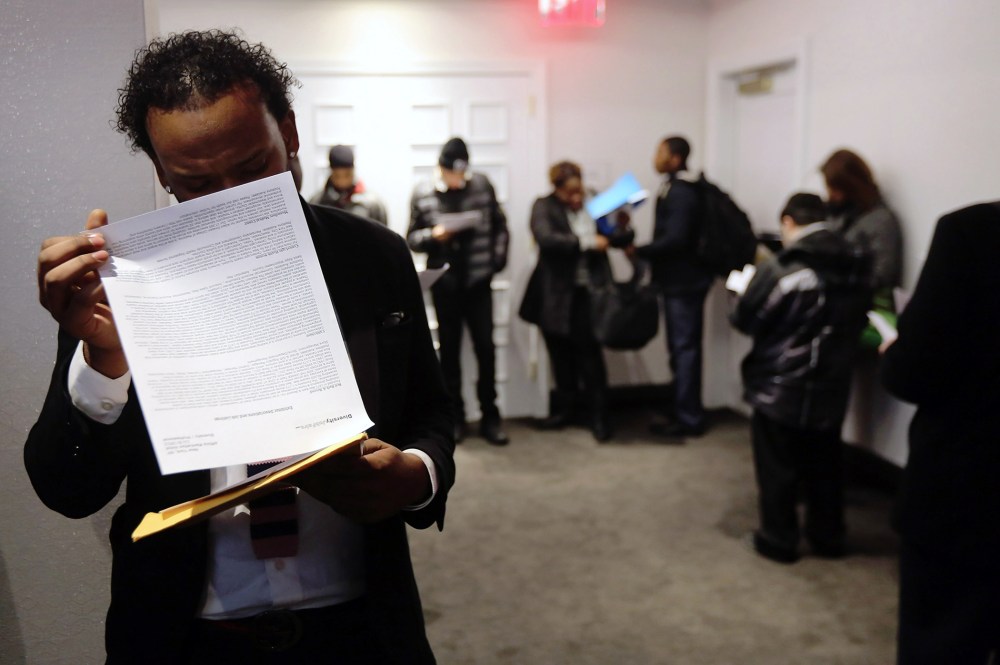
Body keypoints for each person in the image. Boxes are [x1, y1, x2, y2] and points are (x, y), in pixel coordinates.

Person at [25, 30, 454, 664]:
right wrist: (103, 365)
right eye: (197, 184)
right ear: (161, 172)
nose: (237, 199)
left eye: (256, 166)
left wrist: (415, 476)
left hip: (363, 629)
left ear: (290, 133)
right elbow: (68, 489)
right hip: (185, 636)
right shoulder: (121, 283)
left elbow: (432, 416)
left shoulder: (376, 256)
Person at [881, 202, 1000, 663]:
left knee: (944, 640)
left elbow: (915, 372)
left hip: (970, 493)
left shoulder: (973, 232)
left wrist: (896, 349)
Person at [730, 193, 871, 564]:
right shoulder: (857, 261)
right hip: (833, 380)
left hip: (783, 383)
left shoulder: (787, 269)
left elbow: (748, 319)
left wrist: (744, 291)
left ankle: (778, 540)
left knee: (778, 465)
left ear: (789, 222)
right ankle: (829, 538)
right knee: (826, 462)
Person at [518, 161, 634, 441]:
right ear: (556, 189)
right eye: (569, 193)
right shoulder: (543, 206)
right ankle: (565, 411)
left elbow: (618, 239)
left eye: (578, 191)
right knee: (560, 355)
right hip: (555, 294)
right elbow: (546, 239)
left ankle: (599, 416)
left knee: (590, 356)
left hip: (590, 293)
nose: (576, 198)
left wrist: (622, 223)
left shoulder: (595, 203)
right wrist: (587, 242)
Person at [407, 137, 510, 445]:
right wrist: (434, 236)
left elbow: (500, 227)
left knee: (486, 350)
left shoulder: (483, 185)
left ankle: (491, 416)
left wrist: (496, 261)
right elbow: (411, 237)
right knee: (449, 354)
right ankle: (456, 418)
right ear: (441, 168)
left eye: (462, 174)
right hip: (445, 284)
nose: (458, 180)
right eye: (453, 174)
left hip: (479, 282)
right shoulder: (423, 192)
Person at [633, 136, 713, 439]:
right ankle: (682, 408)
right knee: (680, 349)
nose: (655, 157)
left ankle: (689, 417)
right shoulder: (673, 187)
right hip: (677, 281)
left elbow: (676, 239)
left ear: (676, 158)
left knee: (684, 349)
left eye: (660, 152)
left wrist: (642, 251)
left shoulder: (681, 192)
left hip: (685, 282)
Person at [821, 148, 903, 304]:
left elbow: (883, 276)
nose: (830, 194)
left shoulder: (881, 221)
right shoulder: (839, 213)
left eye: (835, 189)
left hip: (866, 304)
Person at [309, 144, 388, 225]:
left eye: (347, 174)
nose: (342, 180)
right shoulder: (317, 202)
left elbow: (383, 236)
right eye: (337, 175)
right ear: (331, 172)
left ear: (353, 170)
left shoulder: (373, 204)